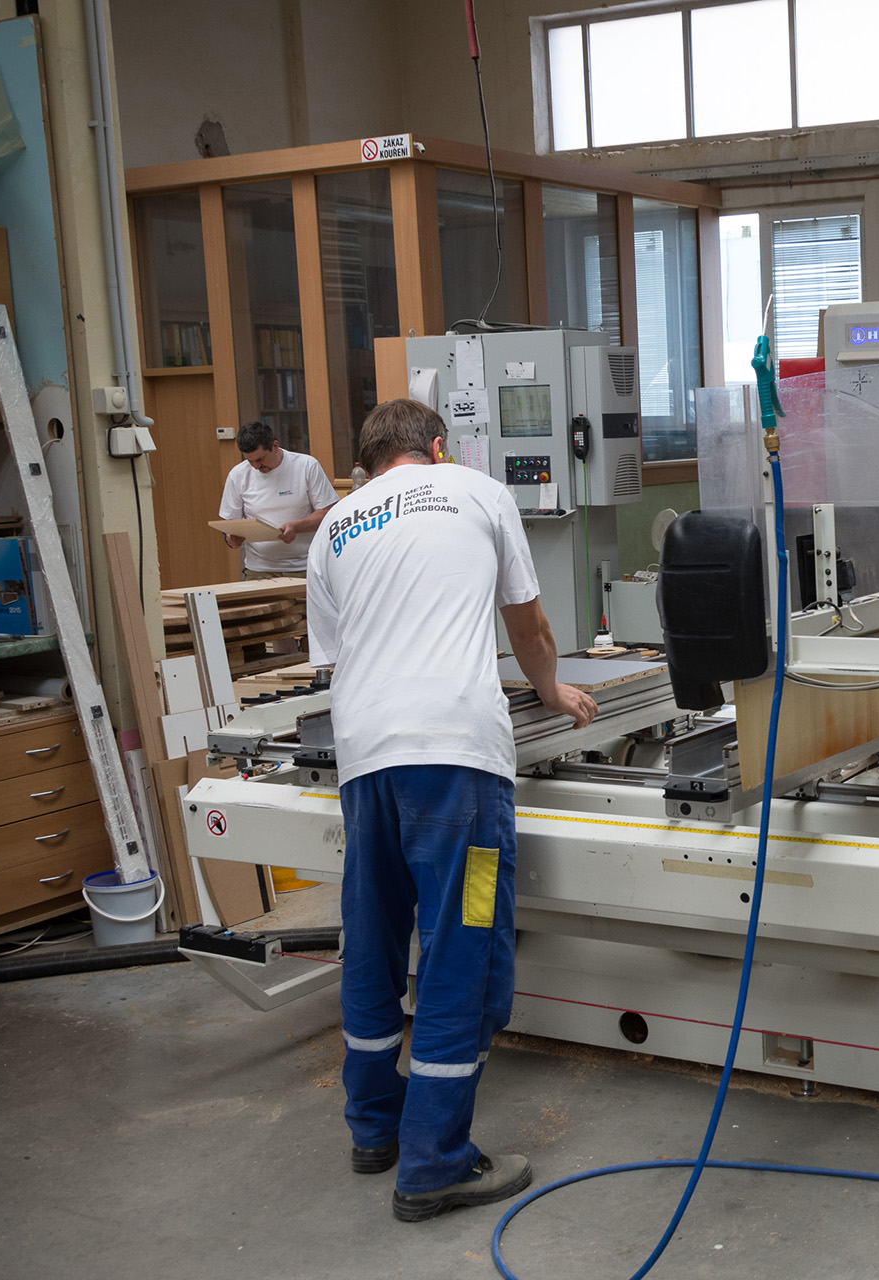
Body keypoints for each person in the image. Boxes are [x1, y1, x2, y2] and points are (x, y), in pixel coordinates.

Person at [305, 398, 598, 1223]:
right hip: (456, 769)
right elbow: (528, 625)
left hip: (366, 766)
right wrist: (550, 689)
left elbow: (338, 657)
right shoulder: (478, 491)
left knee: (372, 942)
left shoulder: (332, 528)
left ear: (366, 464)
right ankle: (435, 1162)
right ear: (437, 447)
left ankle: (375, 1130)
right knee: (462, 943)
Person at [218, 422, 337, 579]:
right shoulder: (238, 475)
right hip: (259, 569)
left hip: (306, 565)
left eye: (260, 459)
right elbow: (230, 522)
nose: (256, 466)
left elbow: (328, 513)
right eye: (249, 461)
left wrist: (296, 527)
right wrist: (231, 538)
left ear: (275, 446)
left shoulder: (306, 466)